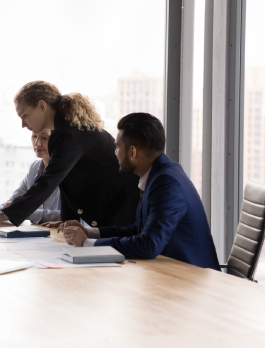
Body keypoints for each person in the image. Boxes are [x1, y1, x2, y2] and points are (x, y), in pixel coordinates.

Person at [0, 80, 140, 235]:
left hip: (121, 204)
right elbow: (66, 183)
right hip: (112, 202)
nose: (23, 124)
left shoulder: (69, 133)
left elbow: (48, 182)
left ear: (42, 106)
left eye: (24, 116)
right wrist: (67, 221)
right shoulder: (64, 130)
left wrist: (1, 217)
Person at [60, 113, 220, 270]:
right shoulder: (158, 176)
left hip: (193, 280)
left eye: (117, 147)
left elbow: (149, 245)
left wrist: (87, 244)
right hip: (173, 272)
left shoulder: (167, 183)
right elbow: (138, 229)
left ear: (132, 152)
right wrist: (89, 233)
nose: (115, 153)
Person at [0, 128, 61, 224]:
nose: (37, 143)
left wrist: (26, 212)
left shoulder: (68, 172)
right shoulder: (34, 167)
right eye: (34, 136)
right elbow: (12, 203)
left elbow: (70, 215)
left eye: (44, 138)